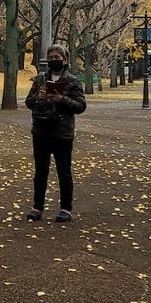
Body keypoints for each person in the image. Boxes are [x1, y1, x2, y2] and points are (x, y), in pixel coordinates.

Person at [25, 44, 87, 223]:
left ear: (65, 60)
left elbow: (81, 106)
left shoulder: (73, 81)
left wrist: (62, 99)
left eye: (57, 58)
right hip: (41, 131)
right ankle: (37, 207)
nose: (54, 60)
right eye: (51, 57)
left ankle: (66, 209)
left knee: (64, 172)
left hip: (62, 133)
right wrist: (39, 98)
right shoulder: (40, 80)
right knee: (40, 172)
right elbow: (29, 102)